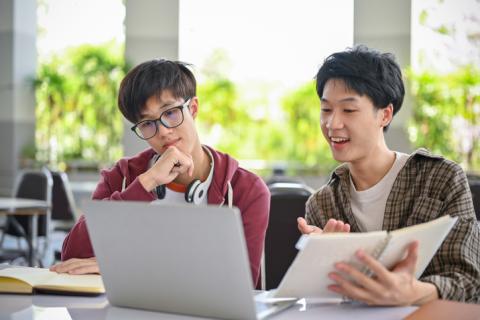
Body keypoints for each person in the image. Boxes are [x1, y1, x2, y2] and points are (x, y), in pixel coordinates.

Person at [50, 59, 270, 287]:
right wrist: (147, 182)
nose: (163, 131)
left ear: (193, 108)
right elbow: (73, 257)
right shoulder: (121, 178)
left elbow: (241, 285)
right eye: (147, 123)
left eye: (171, 112)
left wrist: (124, 266)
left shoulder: (247, 190)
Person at [297, 45, 480, 305]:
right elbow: (320, 302)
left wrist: (414, 292)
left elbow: (470, 280)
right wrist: (318, 263)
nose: (332, 124)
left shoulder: (441, 179)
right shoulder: (321, 204)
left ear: (385, 114)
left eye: (348, 110)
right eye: (326, 110)